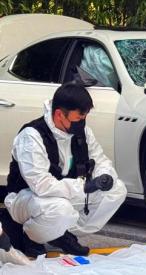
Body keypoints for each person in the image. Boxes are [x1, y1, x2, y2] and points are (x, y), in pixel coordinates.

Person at [4, 82, 127, 257]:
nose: (82, 123)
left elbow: (99, 159)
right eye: (78, 118)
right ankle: (31, 236)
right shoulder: (32, 136)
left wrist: (105, 176)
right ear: (60, 114)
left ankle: (60, 234)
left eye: (85, 117)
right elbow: (41, 185)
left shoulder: (82, 132)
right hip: (26, 198)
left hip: (63, 194)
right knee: (60, 209)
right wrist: (83, 187)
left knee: (117, 190)